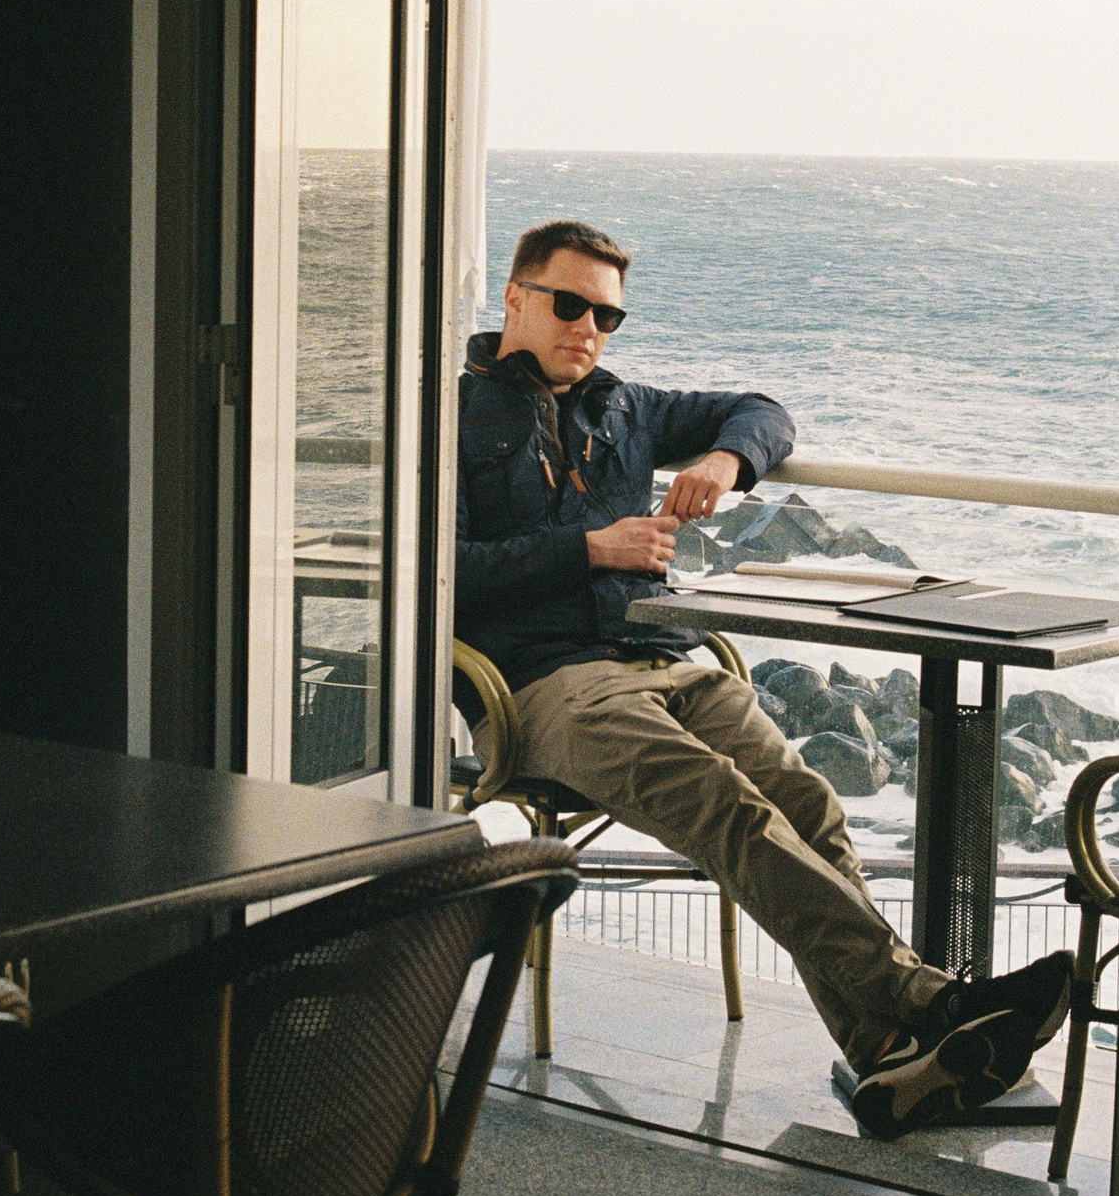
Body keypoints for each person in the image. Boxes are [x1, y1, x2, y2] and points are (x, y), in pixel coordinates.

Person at [456, 218, 1073, 1137]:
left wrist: (722, 457)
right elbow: (440, 571)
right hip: (541, 686)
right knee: (726, 804)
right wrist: (585, 546)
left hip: (662, 657)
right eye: (570, 304)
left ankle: (887, 1063)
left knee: (809, 799)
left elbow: (764, 409)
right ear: (515, 296)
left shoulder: (626, 409)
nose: (588, 328)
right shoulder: (451, 412)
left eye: (609, 316)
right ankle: (929, 1000)